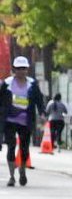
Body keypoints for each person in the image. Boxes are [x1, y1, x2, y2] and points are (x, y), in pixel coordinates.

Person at [2, 56, 45, 186]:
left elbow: (39, 100)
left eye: (24, 69)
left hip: (26, 121)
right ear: (14, 69)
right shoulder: (7, 83)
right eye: (19, 69)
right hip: (10, 120)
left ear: (27, 70)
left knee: (24, 148)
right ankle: (11, 176)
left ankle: (22, 170)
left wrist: (42, 113)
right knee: (11, 146)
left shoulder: (32, 84)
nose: (21, 71)